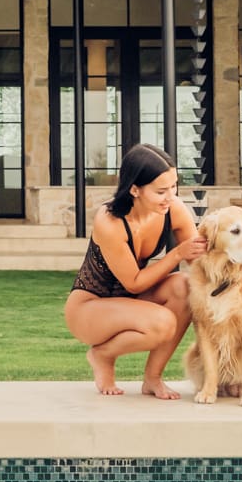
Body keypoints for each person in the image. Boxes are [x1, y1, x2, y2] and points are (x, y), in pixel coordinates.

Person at [64, 143, 205, 399]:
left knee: (186, 286)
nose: (171, 196)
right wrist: (176, 254)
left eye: (174, 186)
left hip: (131, 303)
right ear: (134, 189)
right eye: (161, 190)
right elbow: (135, 284)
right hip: (90, 308)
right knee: (162, 323)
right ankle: (102, 354)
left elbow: (201, 263)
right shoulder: (110, 221)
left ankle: (153, 378)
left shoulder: (171, 208)